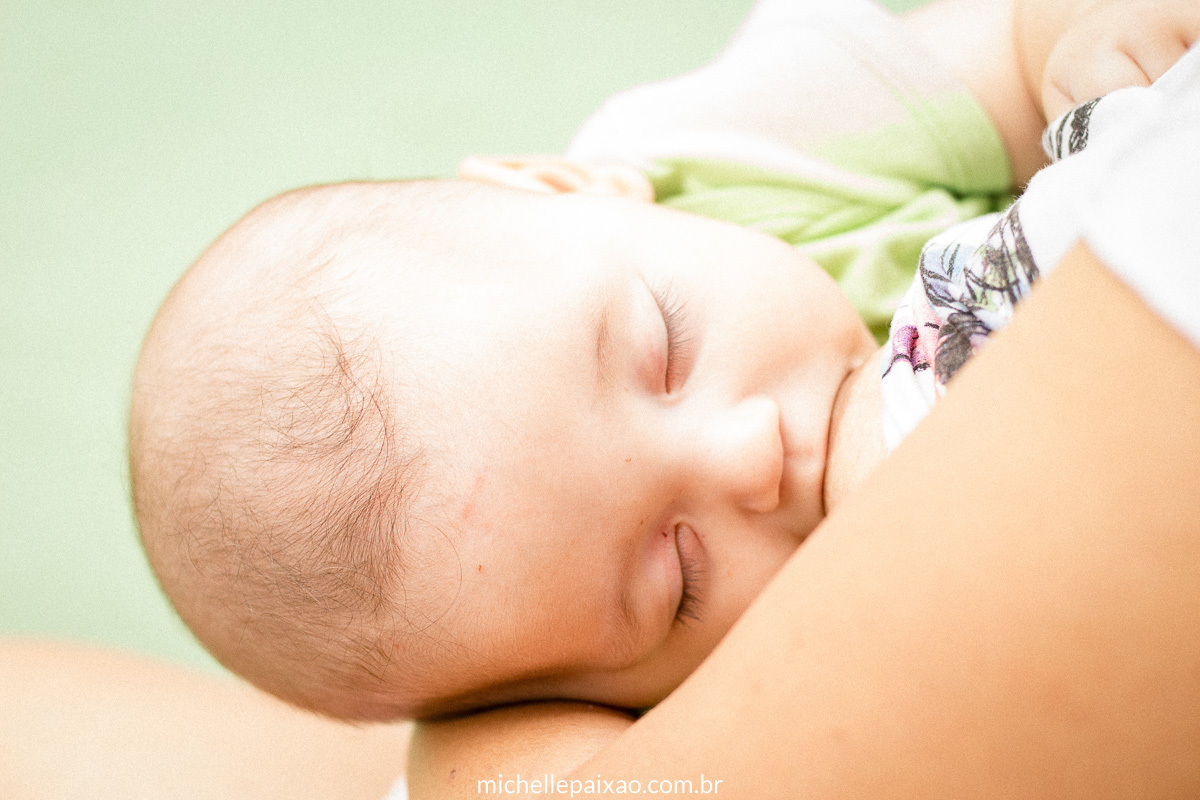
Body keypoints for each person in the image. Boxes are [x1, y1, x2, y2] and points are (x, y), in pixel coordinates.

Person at [129, 0, 1197, 743]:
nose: (750, 455)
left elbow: (1010, 41)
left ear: (573, 188)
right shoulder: (739, 701)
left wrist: (1083, 40)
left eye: (666, 347)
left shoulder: (722, 148)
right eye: (678, 580)